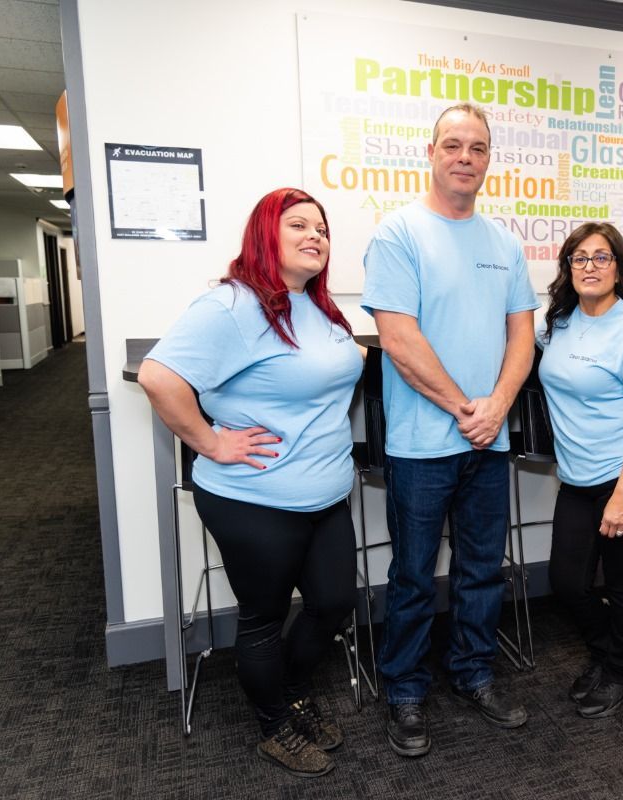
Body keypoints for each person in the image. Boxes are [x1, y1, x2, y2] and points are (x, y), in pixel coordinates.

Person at [138, 188, 362, 777]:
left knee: (332, 603)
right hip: (254, 498)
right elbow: (159, 377)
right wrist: (211, 442)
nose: (316, 235)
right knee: (263, 616)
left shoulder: (316, 304)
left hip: (326, 492)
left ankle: (285, 693)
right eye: (298, 226)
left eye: (322, 228)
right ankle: (273, 724)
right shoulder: (232, 306)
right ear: (266, 234)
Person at [361, 103, 539, 757]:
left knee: (481, 571)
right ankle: (405, 691)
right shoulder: (398, 233)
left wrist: (498, 405)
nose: (466, 156)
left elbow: (522, 333)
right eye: (454, 145)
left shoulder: (504, 242)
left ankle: (472, 673)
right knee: (412, 574)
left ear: (490, 160)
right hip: (422, 446)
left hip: (487, 443)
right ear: (431, 153)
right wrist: (469, 407)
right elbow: (398, 339)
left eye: (479, 147)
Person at [538, 223, 623, 718]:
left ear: (618, 267)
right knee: (567, 581)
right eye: (579, 258)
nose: (589, 267)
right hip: (577, 479)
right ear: (567, 267)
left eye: (601, 257)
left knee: (621, 581)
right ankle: (606, 650)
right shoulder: (556, 321)